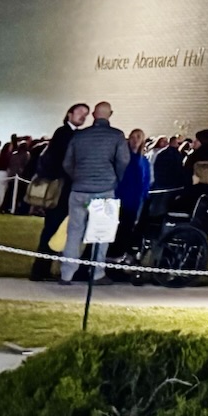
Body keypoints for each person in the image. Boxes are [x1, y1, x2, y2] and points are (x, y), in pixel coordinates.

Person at [59, 101, 129, 283]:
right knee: (101, 233)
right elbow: (123, 161)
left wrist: (77, 177)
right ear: (110, 114)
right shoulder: (117, 136)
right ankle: (97, 273)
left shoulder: (79, 136)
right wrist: (116, 179)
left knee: (74, 232)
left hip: (79, 189)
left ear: (93, 115)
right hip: (104, 190)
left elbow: (67, 162)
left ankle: (67, 273)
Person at [28, 103, 89, 280]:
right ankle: (41, 269)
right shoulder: (64, 133)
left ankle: (43, 268)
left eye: (85, 114)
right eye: (80, 112)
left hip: (63, 189)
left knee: (55, 228)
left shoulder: (67, 133)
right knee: (53, 228)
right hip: (62, 190)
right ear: (69, 114)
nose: (83, 116)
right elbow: (63, 161)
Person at [115, 127, 152, 243]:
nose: (135, 140)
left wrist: (144, 195)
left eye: (138, 137)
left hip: (135, 199)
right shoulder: (122, 158)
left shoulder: (144, 161)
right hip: (120, 196)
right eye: (133, 137)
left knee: (128, 226)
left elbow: (146, 179)